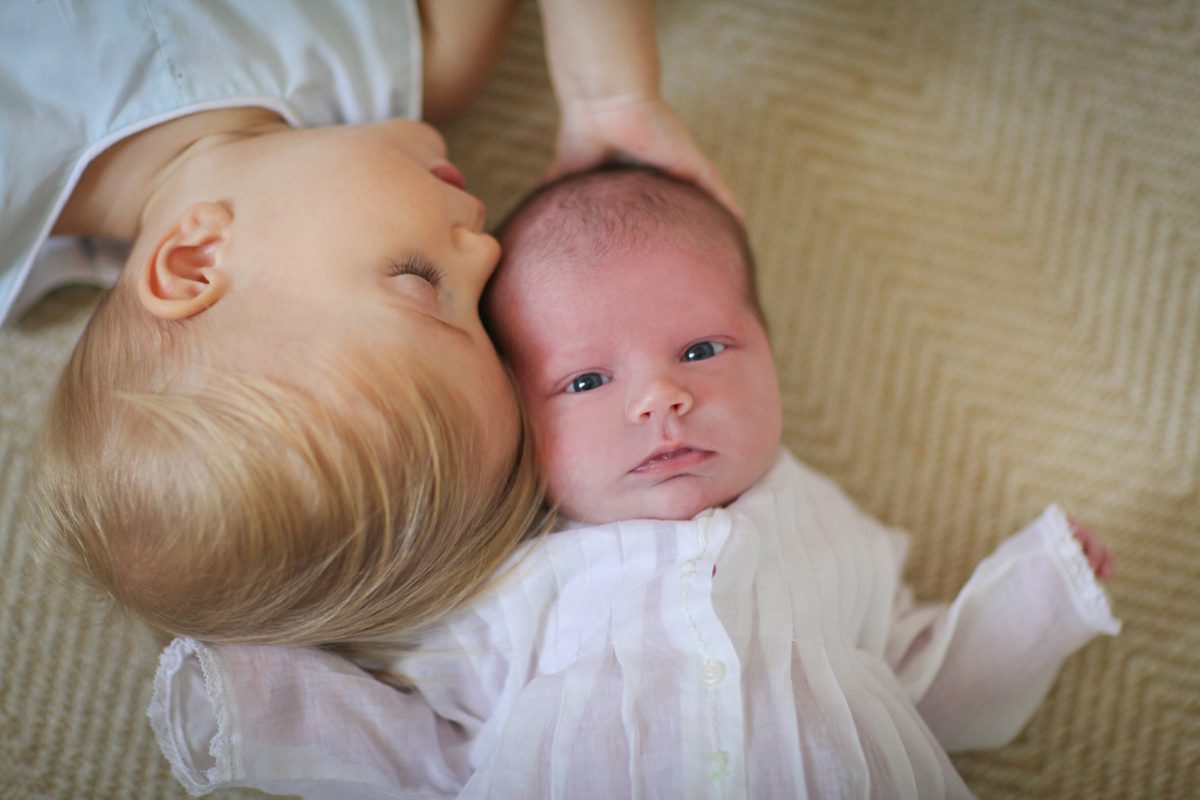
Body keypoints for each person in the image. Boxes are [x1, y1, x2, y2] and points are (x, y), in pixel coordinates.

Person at [149, 166, 1119, 799]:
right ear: (516, 418)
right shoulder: (505, 579)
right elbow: (421, 757)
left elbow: (929, 689)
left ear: (773, 354)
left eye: (703, 347)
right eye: (585, 379)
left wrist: (1037, 596)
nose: (661, 396)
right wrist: (258, 696)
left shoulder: (828, 526)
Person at [12, 1, 736, 655]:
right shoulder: (415, 52)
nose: (487, 249)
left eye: (421, 280)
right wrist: (609, 90)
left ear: (195, 262)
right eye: (483, 308)